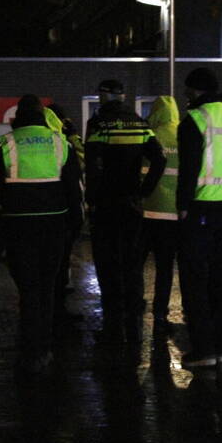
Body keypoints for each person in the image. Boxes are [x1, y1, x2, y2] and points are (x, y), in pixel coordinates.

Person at [0, 95, 83, 375]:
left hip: (17, 227)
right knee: (48, 288)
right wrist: (77, 224)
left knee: (27, 289)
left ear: (17, 118)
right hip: (54, 227)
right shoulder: (61, 144)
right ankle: (44, 347)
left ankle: (30, 349)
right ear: (42, 117)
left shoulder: (3, 145)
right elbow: (76, 190)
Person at [176, 67, 222, 368]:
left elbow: (189, 168)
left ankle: (203, 349)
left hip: (201, 207)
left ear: (194, 91)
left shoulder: (195, 119)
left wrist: (182, 205)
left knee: (196, 280)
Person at [85, 79, 166, 346]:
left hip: (107, 202)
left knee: (107, 260)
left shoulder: (99, 124)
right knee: (132, 259)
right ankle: (134, 308)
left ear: (106, 96)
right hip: (132, 202)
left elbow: (93, 165)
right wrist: (144, 190)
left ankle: (112, 317)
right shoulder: (140, 124)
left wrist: (92, 199)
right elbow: (159, 159)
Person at [140, 95, 181, 339]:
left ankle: (134, 304)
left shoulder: (149, 134)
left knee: (137, 262)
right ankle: (160, 312)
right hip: (173, 212)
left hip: (147, 209)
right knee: (165, 268)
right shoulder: (182, 135)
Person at [44, 104, 85, 331]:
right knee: (58, 264)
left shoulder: (43, 141)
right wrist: (74, 136)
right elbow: (80, 164)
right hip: (62, 214)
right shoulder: (62, 144)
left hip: (43, 214)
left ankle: (40, 310)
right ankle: (56, 312)